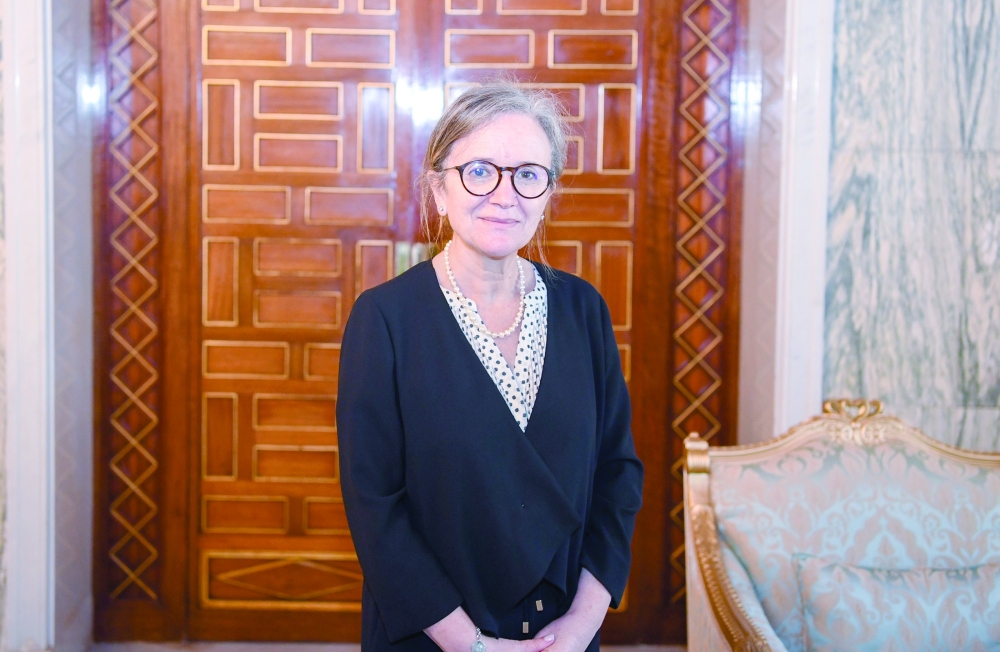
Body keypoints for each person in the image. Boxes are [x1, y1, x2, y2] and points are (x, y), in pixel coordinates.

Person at [337, 80, 644, 652]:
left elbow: (618, 476)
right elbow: (374, 504)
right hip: (433, 636)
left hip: (563, 636)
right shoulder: (385, 319)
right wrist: (471, 644)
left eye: (528, 174)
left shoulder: (583, 310)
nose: (505, 195)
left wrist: (583, 623)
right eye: (479, 171)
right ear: (438, 190)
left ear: (548, 193)